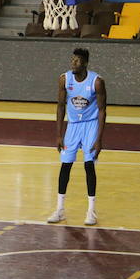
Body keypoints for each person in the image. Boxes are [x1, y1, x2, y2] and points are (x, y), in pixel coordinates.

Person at [48, 47, 107, 226]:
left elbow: (103, 110)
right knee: (65, 165)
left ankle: (91, 211)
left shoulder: (96, 82)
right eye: (72, 59)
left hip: (90, 125)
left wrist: (99, 139)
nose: (73, 63)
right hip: (72, 126)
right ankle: (59, 209)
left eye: (77, 61)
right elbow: (60, 106)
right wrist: (59, 134)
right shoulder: (64, 79)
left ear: (85, 63)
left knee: (89, 166)